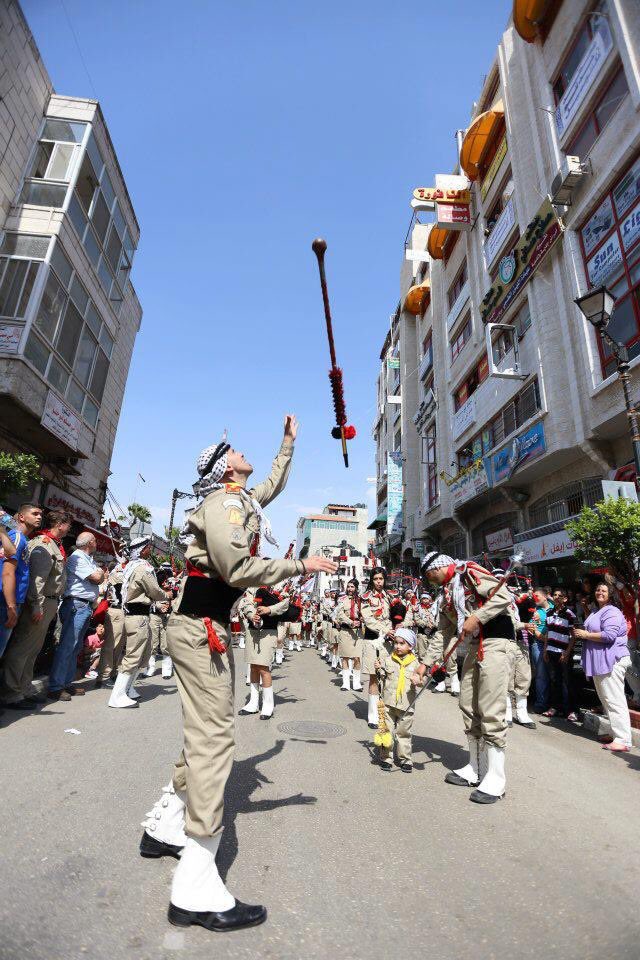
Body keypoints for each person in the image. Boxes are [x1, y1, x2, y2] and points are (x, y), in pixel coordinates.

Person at [139, 415, 336, 932]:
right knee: (214, 742)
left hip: (204, 624)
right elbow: (235, 571)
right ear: (225, 467)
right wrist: (302, 567)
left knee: (203, 734)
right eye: (235, 449)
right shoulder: (227, 504)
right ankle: (196, 886)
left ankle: (163, 827)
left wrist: (287, 444)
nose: (242, 452)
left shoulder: (240, 501)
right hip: (202, 625)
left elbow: (269, 485)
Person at [420, 551, 515, 804]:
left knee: (490, 708)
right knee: (468, 705)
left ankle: (496, 778)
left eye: (431, 575)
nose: (431, 581)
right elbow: (443, 633)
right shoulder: (446, 595)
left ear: (440, 567)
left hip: (496, 641)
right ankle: (475, 767)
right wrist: (425, 664)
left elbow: (504, 597)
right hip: (475, 647)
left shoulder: (469, 574)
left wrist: (476, 617)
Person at [1, 510, 71, 708]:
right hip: (40, 601)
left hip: (49, 601)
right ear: (60, 524)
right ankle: (11, 692)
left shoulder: (54, 545)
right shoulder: (43, 543)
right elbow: (37, 580)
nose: (69, 528)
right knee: (22, 648)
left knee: (32, 650)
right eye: (68, 524)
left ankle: (23, 688)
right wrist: (36, 606)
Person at [574, 582, 632, 752]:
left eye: (604, 590)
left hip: (611, 661)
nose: (600, 592)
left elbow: (609, 635)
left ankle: (623, 739)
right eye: (598, 589)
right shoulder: (596, 610)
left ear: (611, 594)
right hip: (601, 661)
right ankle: (616, 733)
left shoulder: (612, 611)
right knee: (606, 699)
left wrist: (586, 634)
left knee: (614, 700)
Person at [108, 536, 166, 709]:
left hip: (138, 616)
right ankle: (116, 696)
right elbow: (154, 590)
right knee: (133, 656)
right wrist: (165, 595)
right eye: (148, 547)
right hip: (137, 616)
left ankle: (128, 689)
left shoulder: (131, 567)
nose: (151, 550)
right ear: (142, 550)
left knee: (143, 654)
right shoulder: (142, 568)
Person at [48, 532, 105, 701]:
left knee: (74, 647)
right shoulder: (77, 558)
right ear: (89, 543)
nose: (96, 543)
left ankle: (66, 683)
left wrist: (99, 574)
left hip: (84, 606)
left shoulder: (88, 559)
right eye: (94, 540)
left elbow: (99, 578)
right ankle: (55, 686)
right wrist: (100, 572)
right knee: (67, 646)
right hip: (76, 605)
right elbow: (96, 577)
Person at [238, 584, 289, 718]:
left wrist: (269, 609)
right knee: (254, 666)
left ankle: (268, 705)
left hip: (269, 631)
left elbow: (286, 605)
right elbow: (245, 603)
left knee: (263, 668)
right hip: (253, 630)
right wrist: (252, 614)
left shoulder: (278, 590)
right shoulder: (251, 589)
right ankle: (253, 704)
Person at [0, 503, 42, 660]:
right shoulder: (17, 537)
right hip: (6, 603)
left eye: (40, 514)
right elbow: (8, 572)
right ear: (22, 517)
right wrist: (11, 607)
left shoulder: (17, 537)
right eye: (35, 513)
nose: (39, 517)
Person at [375, 627, 420, 772]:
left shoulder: (416, 664)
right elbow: (383, 677)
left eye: (402, 643)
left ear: (410, 646)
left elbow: (421, 680)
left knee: (403, 733)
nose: (398, 646)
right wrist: (379, 669)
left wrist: (417, 679)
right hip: (388, 703)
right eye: (396, 643)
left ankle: (405, 759)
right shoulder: (388, 659)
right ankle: (386, 758)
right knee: (386, 730)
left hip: (406, 705)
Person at [360, 568, 393, 728]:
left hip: (388, 642)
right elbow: (369, 620)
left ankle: (385, 713)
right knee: (374, 677)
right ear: (371, 580)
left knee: (387, 676)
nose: (379, 581)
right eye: (375, 579)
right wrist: (386, 629)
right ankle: (373, 716)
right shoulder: (365, 597)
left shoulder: (391, 596)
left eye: (381, 578)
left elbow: (397, 616)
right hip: (372, 640)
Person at [543, 589, 578, 721]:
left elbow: (573, 636)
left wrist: (567, 652)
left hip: (563, 652)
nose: (557, 597)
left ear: (565, 599)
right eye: (555, 595)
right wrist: (545, 650)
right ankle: (555, 707)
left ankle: (573, 710)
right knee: (554, 680)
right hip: (551, 651)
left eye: (560, 596)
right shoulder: (549, 613)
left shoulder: (569, 614)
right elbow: (547, 633)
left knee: (568, 682)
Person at [96, 558, 127, 688]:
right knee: (111, 645)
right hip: (115, 611)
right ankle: (103, 676)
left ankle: (112, 672)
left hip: (123, 611)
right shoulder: (118, 573)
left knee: (119, 645)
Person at [334, 579, 363, 691]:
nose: (350, 589)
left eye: (352, 587)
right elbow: (339, 615)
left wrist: (361, 620)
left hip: (357, 632)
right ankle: (345, 683)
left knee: (357, 657)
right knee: (345, 657)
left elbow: (366, 613)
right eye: (348, 586)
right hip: (346, 631)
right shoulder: (342, 600)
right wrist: (350, 622)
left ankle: (356, 684)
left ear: (356, 588)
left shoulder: (361, 600)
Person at [528, 588, 554, 713]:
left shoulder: (555, 608)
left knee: (555, 675)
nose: (535, 598)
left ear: (545, 597)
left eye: (537, 595)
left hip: (554, 644)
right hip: (538, 644)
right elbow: (531, 628)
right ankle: (541, 704)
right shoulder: (535, 611)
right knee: (541, 675)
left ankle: (555, 705)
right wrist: (541, 636)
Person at [147, 584, 175, 679]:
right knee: (152, 643)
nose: (166, 583)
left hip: (166, 616)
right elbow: (149, 599)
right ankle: (150, 669)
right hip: (154, 615)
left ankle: (167, 670)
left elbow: (175, 599)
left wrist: (169, 604)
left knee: (165, 644)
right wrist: (159, 606)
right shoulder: (154, 586)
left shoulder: (171, 589)